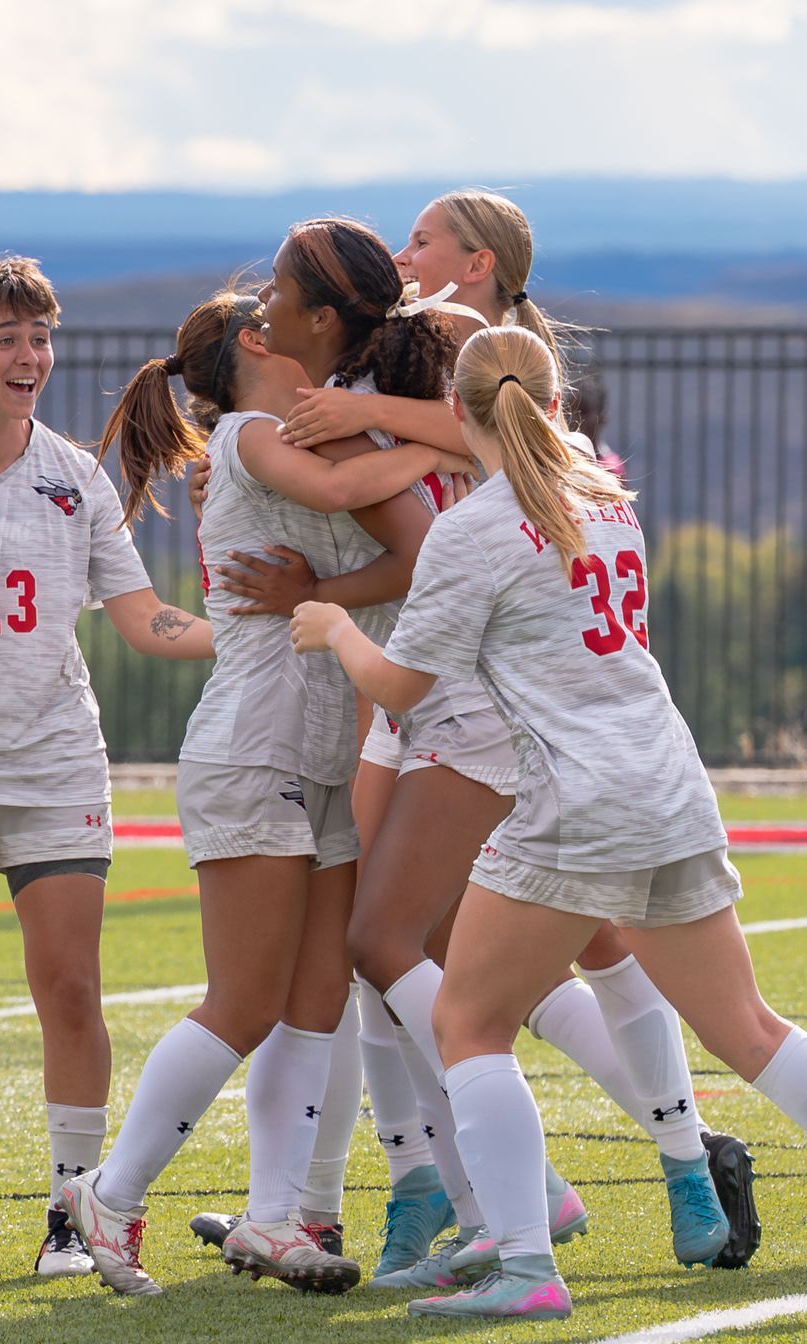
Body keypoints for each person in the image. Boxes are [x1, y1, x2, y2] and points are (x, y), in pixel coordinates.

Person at [288, 322, 807, 1322]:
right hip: (666, 786)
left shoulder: (475, 529)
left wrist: (336, 627)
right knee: (749, 1029)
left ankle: (527, 1265)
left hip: (573, 802)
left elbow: (401, 683)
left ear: (461, 414)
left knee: (468, 1023)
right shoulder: (609, 503)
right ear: (554, 398)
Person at [258, 188, 736, 1288]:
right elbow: (396, 491)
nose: (404, 248)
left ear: (474, 264)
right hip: (424, 681)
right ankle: (445, 1186)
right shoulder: (417, 352)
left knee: (559, 947)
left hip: (495, 696)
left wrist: (344, 447)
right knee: (397, 948)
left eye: (423, 237)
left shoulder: (475, 349)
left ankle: (669, 1159)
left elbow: (466, 461)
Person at [59, 246, 452, 1298]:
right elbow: (340, 485)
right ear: (253, 343)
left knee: (315, 998)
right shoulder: (246, 434)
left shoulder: (314, 421)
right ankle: (112, 1194)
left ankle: (276, 1218)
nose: (282, 308)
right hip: (253, 744)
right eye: (269, 305)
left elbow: (399, 551)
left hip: (322, 746)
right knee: (241, 1000)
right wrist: (467, 436)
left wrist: (329, 567)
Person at [0, 255, 219, 1277]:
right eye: (8, 339)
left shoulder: (74, 474)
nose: (31, 358)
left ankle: (70, 1208)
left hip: (55, 756)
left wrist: (244, 631)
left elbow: (144, 620)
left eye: (40, 337)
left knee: (68, 986)